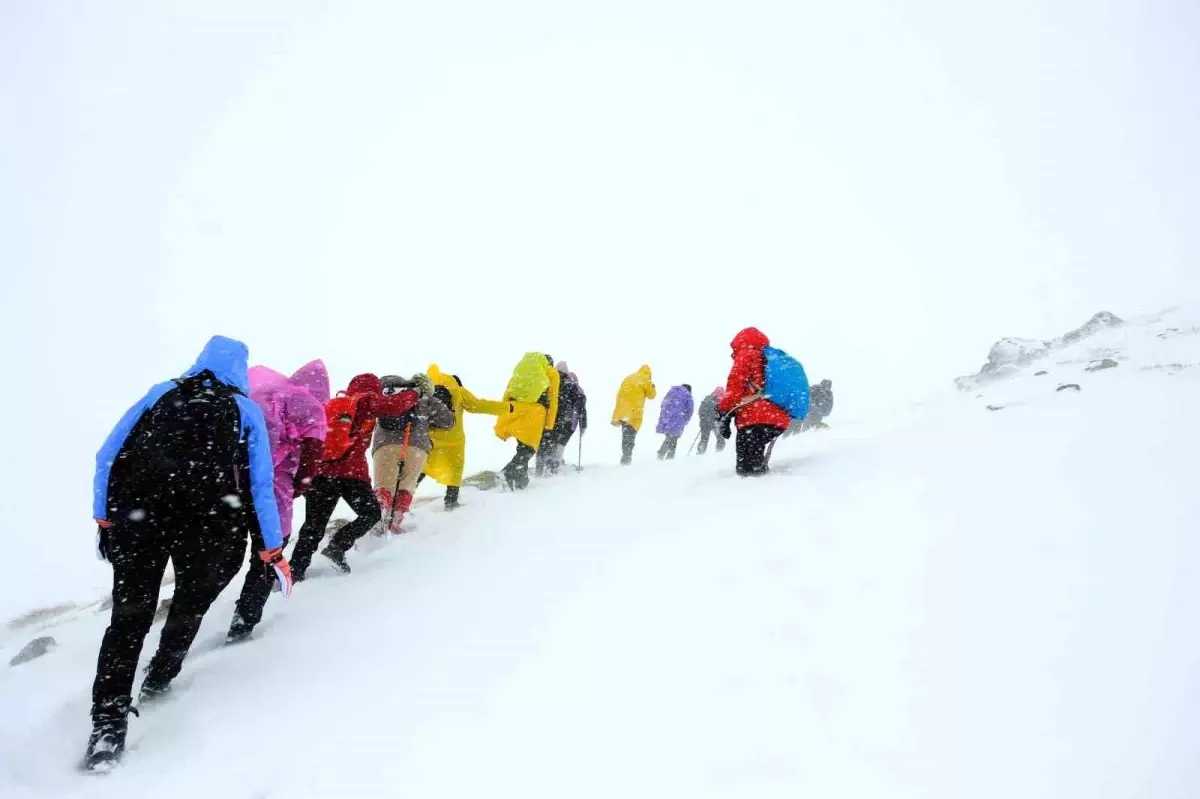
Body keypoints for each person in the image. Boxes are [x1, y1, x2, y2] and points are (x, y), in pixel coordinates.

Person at [87, 336, 290, 771]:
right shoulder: (244, 408)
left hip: (140, 518)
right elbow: (260, 487)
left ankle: (107, 726)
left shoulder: (162, 391)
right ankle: (161, 674)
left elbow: (107, 454)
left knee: (127, 619)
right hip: (208, 523)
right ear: (240, 368)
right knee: (189, 605)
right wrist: (271, 548)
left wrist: (103, 517)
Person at [226, 360, 330, 644]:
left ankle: (188, 621)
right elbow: (311, 457)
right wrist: (301, 485)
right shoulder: (308, 405)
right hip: (273, 493)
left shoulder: (256, 395)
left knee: (227, 553)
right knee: (269, 554)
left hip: (231, 487)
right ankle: (243, 622)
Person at [289, 373, 419, 578]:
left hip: (321, 474)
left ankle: (294, 570)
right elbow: (395, 406)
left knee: (313, 525)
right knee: (371, 514)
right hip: (350, 475)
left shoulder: (334, 405)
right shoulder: (367, 399)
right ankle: (337, 546)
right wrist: (415, 392)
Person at [373, 373, 455, 532]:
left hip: (385, 444)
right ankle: (396, 521)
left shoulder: (382, 396)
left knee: (384, 487)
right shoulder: (423, 396)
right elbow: (448, 422)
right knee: (406, 486)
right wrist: (434, 400)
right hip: (417, 445)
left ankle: (380, 521)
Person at [421, 364, 505, 509]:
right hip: (453, 439)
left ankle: (401, 501)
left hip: (430, 439)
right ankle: (451, 502)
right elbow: (478, 405)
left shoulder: (426, 390)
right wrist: (506, 408)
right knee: (455, 470)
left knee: (421, 468)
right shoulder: (458, 391)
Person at [717, 327, 791, 476]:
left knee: (746, 469)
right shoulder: (770, 357)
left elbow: (735, 386)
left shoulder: (746, 355)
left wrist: (723, 411)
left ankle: (752, 493)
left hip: (753, 418)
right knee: (755, 461)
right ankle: (762, 486)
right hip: (777, 418)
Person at [495, 353, 560, 490]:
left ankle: (521, 481)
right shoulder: (552, 373)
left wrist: (503, 416)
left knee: (522, 445)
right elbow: (553, 399)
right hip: (535, 413)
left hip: (516, 410)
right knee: (529, 448)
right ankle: (508, 471)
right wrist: (549, 423)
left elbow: (508, 392)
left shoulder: (522, 371)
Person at [536, 361, 584, 476]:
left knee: (546, 442)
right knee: (559, 443)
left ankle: (540, 466)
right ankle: (553, 467)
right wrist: (582, 423)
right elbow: (579, 403)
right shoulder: (571, 384)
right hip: (564, 419)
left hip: (548, 417)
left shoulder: (550, 381)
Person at [611, 364, 656, 464]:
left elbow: (620, 394)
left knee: (626, 434)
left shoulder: (629, 378)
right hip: (633, 412)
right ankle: (626, 459)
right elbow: (651, 395)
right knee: (630, 435)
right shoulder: (646, 379)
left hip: (623, 412)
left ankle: (625, 457)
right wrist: (653, 386)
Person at [655, 384, 694, 460]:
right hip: (677, 418)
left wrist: (665, 415)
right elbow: (690, 410)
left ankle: (665, 455)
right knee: (673, 437)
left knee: (670, 437)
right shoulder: (687, 395)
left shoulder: (672, 391)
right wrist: (685, 420)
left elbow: (663, 404)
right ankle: (667, 456)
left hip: (666, 418)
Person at [696, 387, 727, 455]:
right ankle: (719, 452)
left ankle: (700, 452)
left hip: (706, 422)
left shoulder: (707, 399)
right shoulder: (721, 400)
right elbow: (723, 413)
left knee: (704, 439)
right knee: (720, 438)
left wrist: (703, 419)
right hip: (715, 423)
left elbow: (700, 411)